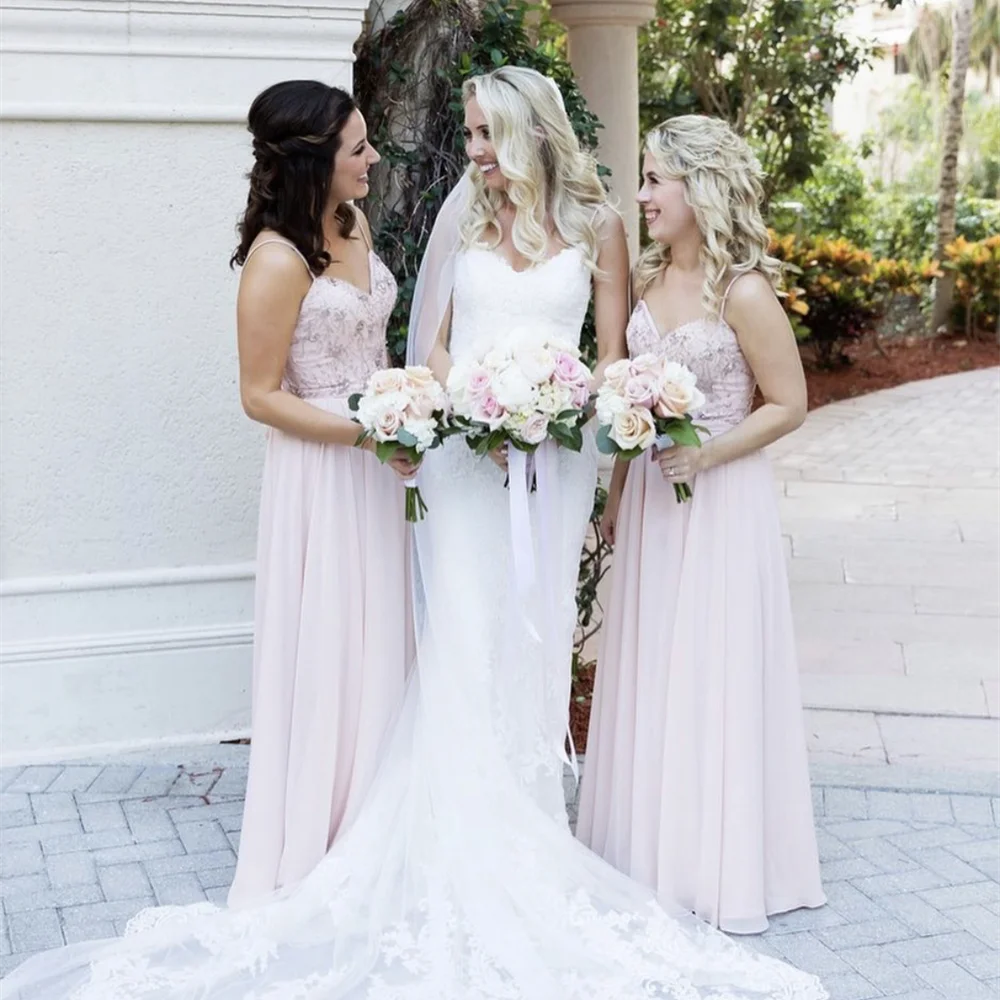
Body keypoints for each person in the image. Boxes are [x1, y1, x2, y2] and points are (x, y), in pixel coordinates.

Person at [1, 79, 827, 1000]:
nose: (471, 149)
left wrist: (559, 410)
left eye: (483, 133)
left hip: (548, 470)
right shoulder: (464, 219)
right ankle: (451, 835)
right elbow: (426, 348)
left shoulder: (599, 228)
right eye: (469, 132)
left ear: (524, 134)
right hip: (465, 461)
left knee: (537, 638)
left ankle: (530, 829)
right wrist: (476, 394)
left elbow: (608, 356)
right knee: (462, 639)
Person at [577, 114, 827, 934]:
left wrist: (709, 456)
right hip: (652, 501)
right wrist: (615, 491)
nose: (642, 195)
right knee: (654, 662)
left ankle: (713, 857)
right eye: (642, 179)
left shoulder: (742, 291)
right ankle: (648, 849)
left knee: (710, 666)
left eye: (655, 180)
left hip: (719, 503)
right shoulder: (646, 280)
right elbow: (629, 403)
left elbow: (789, 403)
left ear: (699, 187)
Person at [227, 79, 415, 905]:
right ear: (314, 161)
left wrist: (405, 415)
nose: (373, 159)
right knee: (334, 636)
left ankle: (382, 816)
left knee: (384, 635)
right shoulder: (275, 260)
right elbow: (260, 395)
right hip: (322, 473)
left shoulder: (353, 223)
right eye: (358, 148)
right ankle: (320, 834)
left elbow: (372, 342)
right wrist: (366, 431)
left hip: (379, 464)